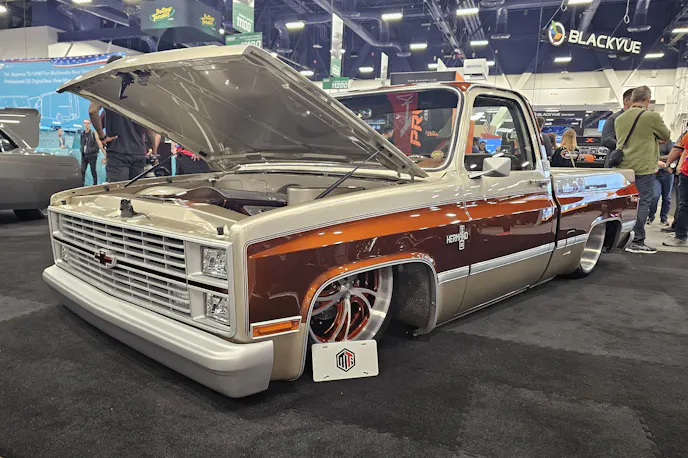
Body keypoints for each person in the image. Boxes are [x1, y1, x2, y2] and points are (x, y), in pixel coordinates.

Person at [614, 86, 671, 253]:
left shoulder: (620, 118)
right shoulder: (652, 117)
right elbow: (666, 136)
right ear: (648, 100)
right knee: (642, 203)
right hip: (643, 168)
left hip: (623, 167)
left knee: (625, 204)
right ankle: (637, 241)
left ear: (631, 99)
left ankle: (620, 238)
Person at [88, 55, 160, 182]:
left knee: (119, 192)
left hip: (117, 153)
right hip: (138, 153)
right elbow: (148, 129)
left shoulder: (107, 88)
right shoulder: (138, 92)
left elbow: (93, 111)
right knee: (136, 192)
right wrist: (154, 151)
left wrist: (102, 137)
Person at [660, 132, 688, 247]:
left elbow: (679, 150)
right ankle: (680, 235)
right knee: (684, 206)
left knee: (684, 205)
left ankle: (681, 236)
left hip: (685, 173)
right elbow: (684, 150)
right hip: (686, 173)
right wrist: (680, 167)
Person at [648, 139, 674, 225]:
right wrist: (657, 160)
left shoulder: (668, 142)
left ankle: (664, 218)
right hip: (655, 174)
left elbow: (671, 155)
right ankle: (651, 216)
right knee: (655, 196)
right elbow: (647, 155)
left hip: (667, 173)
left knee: (667, 198)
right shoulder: (651, 141)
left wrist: (657, 158)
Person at [80, 119, 104, 186]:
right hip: (84, 156)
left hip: (92, 156)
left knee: (93, 170)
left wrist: (90, 151)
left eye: (87, 123)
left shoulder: (93, 134)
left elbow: (97, 146)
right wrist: (82, 150)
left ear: (90, 124)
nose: (86, 125)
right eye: (85, 123)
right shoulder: (82, 134)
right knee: (82, 170)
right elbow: (81, 143)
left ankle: (95, 184)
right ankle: (81, 184)